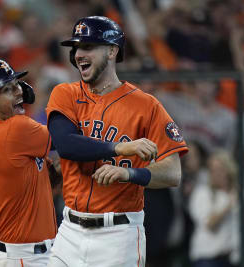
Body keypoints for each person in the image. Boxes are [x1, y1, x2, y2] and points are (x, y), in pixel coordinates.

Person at [46, 16, 188, 267]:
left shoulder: (146, 105)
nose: (79, 54)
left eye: (88, 47)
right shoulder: (65, 94)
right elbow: (66, 144)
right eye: (77, 48)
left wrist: (129, 173)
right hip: (69, 230)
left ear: (112, 51)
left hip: (118, 235)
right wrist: (120, 147)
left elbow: (173, 173)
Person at [0, 59, 57, 267]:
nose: (19, 92)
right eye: (7, 89)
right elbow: (70, 138)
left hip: (17, 254)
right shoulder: (14, 129)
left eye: (17, 84)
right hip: (27, 257)